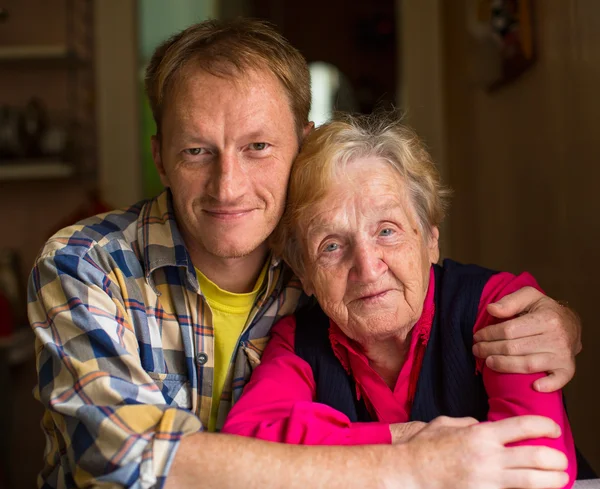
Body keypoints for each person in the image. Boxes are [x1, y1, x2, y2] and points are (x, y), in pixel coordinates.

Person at [27, 18, 582, 489]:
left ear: (303, 143)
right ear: (161, 157)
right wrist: (405, 461)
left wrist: (562, 322)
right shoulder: (86, 264)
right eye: (197, 151)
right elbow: (128, 457)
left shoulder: (317, 264)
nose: (229, 186)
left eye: (258, 147)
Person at [221, 112, 580, 487]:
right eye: (331, 245)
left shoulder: (497, 307)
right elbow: (247, 450)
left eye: (387, 231)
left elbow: (539, 464)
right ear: (306, 274)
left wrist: (330, 459)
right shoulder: (296, 340)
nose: (367, 267)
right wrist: (405, 443)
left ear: (430, 240)